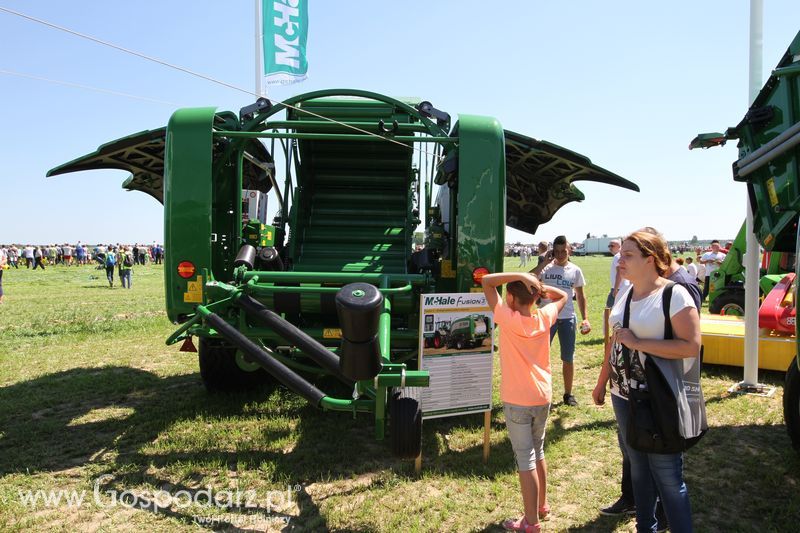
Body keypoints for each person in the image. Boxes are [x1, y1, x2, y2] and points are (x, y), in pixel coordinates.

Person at [592, 231, 701, 533]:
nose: (620, 261)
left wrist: (639, 343)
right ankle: (646, 528)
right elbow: (615, 343)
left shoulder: (673, 294)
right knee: (638, 469)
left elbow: (690, 345)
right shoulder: (626, 292)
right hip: (623, 394)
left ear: (650, 259)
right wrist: (602, 382)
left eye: (628, 255)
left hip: (658, 397)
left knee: (667, 476)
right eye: (621, 255)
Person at [482, 271, 567, 533]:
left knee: (525, 459)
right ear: (533, 297)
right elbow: (563, 295)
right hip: (542, 396)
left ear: (509, 297)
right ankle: (541, 505)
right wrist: (540, 287)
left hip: (518, 399)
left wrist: (520, 275)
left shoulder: (506, 317)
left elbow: (486, 281)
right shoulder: (544, 316)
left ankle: (531, 523)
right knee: (538, 450)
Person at [531, 235, 590, 406]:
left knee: (568, 358)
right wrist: (543, 262)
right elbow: (528, 278)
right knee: (539, 357)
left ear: (569, 250)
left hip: (567, 318)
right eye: (556, 251)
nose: (560, 254)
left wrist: (586, 318)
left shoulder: (575, 270)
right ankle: (538, 392)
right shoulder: (545, 268)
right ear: (552, 251)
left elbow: (580, 295)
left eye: (563, 251)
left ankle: (568, 394)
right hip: (546, 318)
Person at [607, 239, 630, 308]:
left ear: (619, 246)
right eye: (609, 246)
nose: (610, 248)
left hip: (619, 287)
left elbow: (619, 272)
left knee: (609, 308)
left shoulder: (617, 256)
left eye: (612, 246)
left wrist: (615, 289)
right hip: (623, 286)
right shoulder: (621, 255)